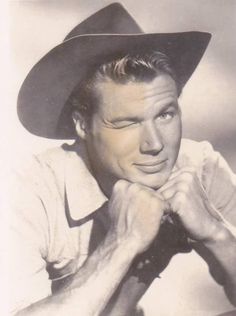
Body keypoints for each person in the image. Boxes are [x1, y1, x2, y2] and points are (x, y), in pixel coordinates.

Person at [10, 3, 236, 316]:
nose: (155, 144)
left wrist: (216, 233)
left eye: (165, 114)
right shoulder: (24, 193)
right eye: (127, 123)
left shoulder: (197, 169)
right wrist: (122, 242)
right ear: (82, 124)